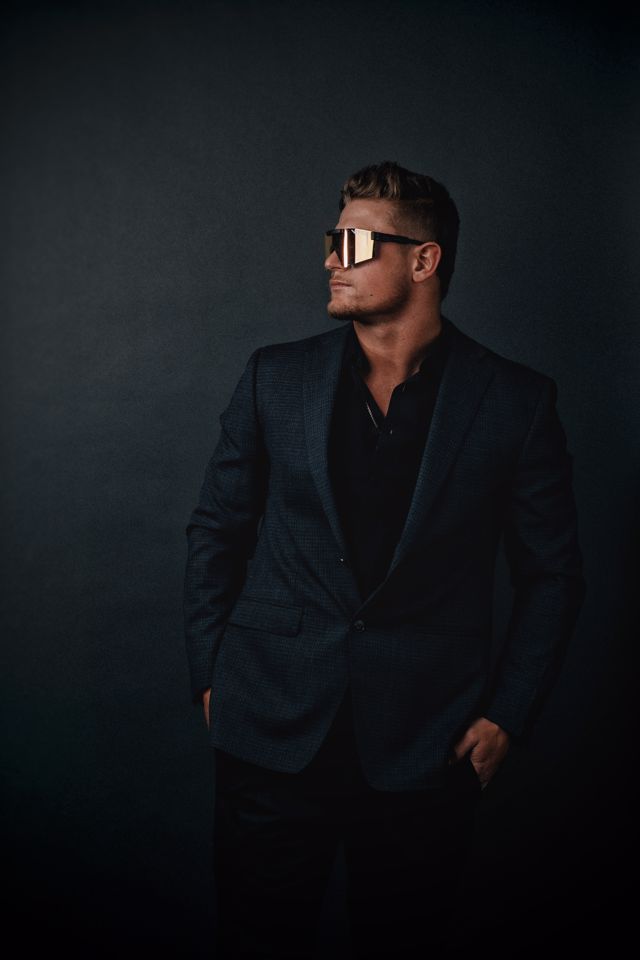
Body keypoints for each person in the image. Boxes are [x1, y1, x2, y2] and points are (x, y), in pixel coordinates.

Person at [183, 161, 586, 958]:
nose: (331, 259)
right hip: (270, 726)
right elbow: (215, 530)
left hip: (427, 742)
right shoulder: (275, 378)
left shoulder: (514, 401)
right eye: (332, 240)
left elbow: (553, 575)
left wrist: (509, 713)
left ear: (424, 260)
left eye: (356, 243)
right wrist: (209, 672)